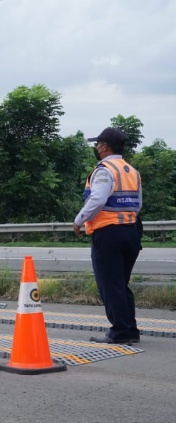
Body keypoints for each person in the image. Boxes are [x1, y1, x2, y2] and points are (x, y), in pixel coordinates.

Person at [72, 127, 142, 344]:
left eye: (97, 144)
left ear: (104, 146)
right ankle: (130, 329)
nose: (96, 148)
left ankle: (120, 331)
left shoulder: (104, 170)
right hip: (131, 232)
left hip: (108, 234)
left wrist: (79, 220)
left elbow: (98, 199)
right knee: (120, 283)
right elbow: (138, 204)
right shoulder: (131, 170)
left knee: (110, 285)